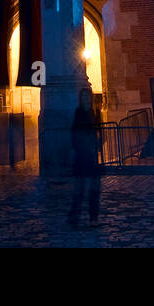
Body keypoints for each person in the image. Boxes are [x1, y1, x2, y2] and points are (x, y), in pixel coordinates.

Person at [68, 87, 102, 227]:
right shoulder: (80, 113)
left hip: (91, 155)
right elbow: (76, 133)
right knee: (80, 189)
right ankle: (74, 216)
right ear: (81, 99)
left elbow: (95, 132)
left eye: (88, 97)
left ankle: (92, 217)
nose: (86, 99)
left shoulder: (93, 112)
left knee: (94, 189)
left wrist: (97, 142)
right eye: (84, 97)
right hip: (82, 155)